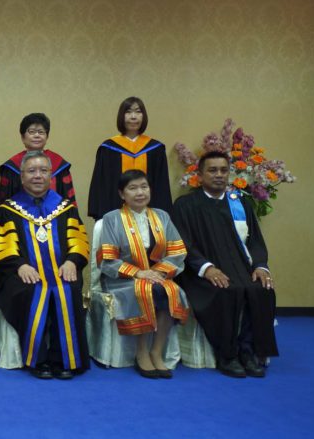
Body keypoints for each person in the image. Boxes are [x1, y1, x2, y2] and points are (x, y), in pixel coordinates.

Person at [172, 151, 278, 378]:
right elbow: (182, 243)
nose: (219, 175)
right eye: (212, 170)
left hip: (240, 267)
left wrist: (260, 266)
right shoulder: (185, 205)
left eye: (223, 170)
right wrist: (206, 268)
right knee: (227, 291)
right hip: (199, 271)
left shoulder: (240, 203)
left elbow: (255, 241)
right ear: (200, 175)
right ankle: (227, 355)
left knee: (262, 289)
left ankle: (248, 351)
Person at [0, 150, 89, 379]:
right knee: (32, 290)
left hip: (61, 270)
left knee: (67, 289)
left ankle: (65, 359)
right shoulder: (8, 209)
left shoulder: (65, 207)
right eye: (31, 171)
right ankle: (38, 359)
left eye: (43, 170)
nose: (37, 176)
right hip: (20, 273)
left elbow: (79, 240)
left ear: (51, 176)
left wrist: (72, 261)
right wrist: (19, 265)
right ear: (22, 176)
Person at [98, 170, 189, 378]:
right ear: (122, 194)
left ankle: (156, 351)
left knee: (170, 291)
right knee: (148, 291)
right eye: (133, 188)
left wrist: (157, 272)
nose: (140, 193)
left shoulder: (162, 216)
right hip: (122, 279)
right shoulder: (112, 219)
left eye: (144, 187)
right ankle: (141, 352)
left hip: (157, 276)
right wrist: (139, 273)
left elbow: (177, 251)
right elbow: (108, 259)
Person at [88, 97, 172, 220]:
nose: (133, 117)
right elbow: (102, 186)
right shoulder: (108, 149)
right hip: (116, 215)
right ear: (121, 116)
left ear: (143, 116)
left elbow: (161, 186)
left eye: (138, 112)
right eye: (128, 112)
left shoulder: (155, 149)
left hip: (149, 217)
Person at [0, 113, 76, 205]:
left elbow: (69, 203)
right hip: (19, 213)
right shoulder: (11, 167)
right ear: (23, 137)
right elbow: (4, 203)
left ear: (47, 137)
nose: (37, 135)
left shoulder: (59, 165)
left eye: (41, 132)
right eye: (31, 132)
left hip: (55, 213)